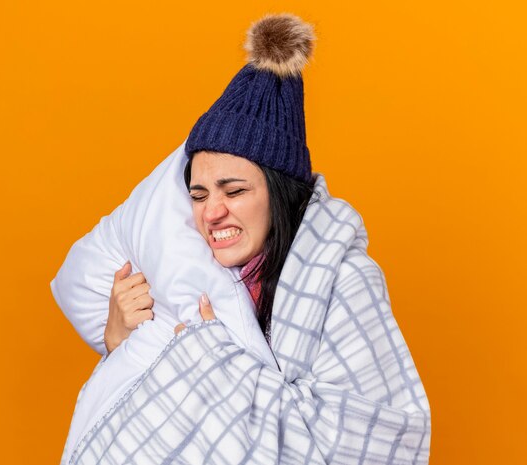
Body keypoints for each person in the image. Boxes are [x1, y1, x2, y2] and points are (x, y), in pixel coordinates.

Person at [61, 13, 431, 464]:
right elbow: (142, 407)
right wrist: (119, 342)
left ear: (279, 192)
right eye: (198, 195)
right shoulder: (188, 274)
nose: (213, 212)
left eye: (234, 191)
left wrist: (209, 360)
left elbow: (368, 443)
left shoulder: (343, 281)